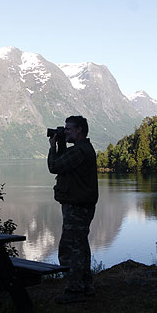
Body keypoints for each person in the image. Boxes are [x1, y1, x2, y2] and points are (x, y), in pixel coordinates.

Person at [47, 115, 99, 303]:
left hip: (77, 206)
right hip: (81, 204)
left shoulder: (80, 151)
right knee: (81, 246)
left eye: (68, 129)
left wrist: (53, 147)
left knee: (70, 248)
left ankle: (75, 290)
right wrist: (62, 143)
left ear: (79, 130)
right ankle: (86, 285)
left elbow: (55, 166)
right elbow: (65, 164)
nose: (65, 131)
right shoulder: (83, 149)